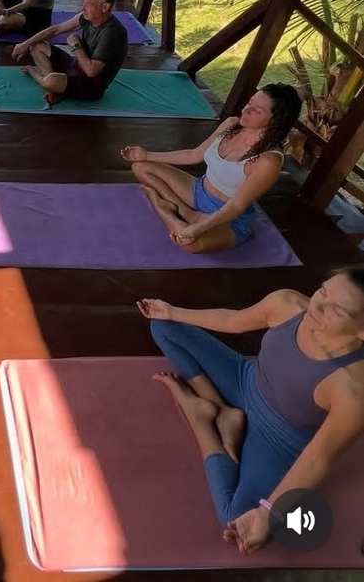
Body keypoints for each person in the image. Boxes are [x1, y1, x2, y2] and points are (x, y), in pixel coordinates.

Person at [137, 268, 364, 555]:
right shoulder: (287, 304)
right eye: (322, 290)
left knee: (235, 519)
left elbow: (318, 458)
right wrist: (172, 311)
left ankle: (200, 419)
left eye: (337, 310)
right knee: (164, 327)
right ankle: (220, 409)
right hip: (245, 380)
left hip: (278, 440)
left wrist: (268, 514)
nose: (317, 305)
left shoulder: (353, 389)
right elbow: (233, 320)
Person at [121, 83, 302, 253]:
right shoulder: (231, 124)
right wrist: (148, 155)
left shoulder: (268, 161)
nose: (246, 110)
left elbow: (236, 206)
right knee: (141, 167)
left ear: (275, 120)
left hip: (229, 217)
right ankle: (184, 212)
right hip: (199, 190)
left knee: (189, 243)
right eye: (250, 103)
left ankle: (162, 205)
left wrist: (199, 228)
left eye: (257, 110)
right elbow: (194, 155)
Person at [12, 0, 127, 105]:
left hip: (91, 85)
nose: (83, 8)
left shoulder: (112, 33)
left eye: (89, 4)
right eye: (84, 2)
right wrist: (25, 44)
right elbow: (56, 29)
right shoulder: (88, 16)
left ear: (105, 7)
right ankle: (56, 90)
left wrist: (76, 45)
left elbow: (91, 71)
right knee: (36, 45)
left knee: (50, 82)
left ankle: (39, 77)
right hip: (76, 65)